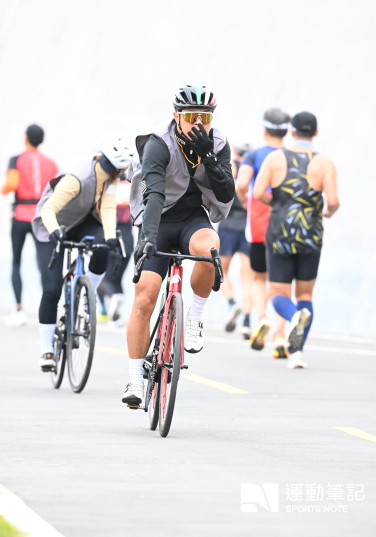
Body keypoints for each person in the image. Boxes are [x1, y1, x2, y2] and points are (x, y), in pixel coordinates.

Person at [123, 84, 235, 407]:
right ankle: (134, 377)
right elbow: (154, 195)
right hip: (157, 220)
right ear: (176, 116)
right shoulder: (158, 144)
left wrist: (209, 158)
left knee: (210, 249)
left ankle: (194, 317)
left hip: (192, 217)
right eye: (191, 117)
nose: (199, 123)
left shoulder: (218, 143)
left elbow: (226, 193)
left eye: (205, 117)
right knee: (144, 297)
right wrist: (147, 239)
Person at [32, 133, 135, 371]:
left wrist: (110, 236)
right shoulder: (77, 178)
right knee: (52, 289)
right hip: (51, 226)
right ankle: (47, 349)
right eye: (123, 170)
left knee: (103, 248)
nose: (123, 174)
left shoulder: (109, 177)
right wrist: (55, 231)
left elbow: (107, 207)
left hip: (81, 221)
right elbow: (48, 209)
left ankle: (89, 293)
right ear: (115, 167)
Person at [253, 111, 339, 369]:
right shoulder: (325, 163)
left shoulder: (275, 158)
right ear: (316, 132)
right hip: (311, 235)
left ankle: (293, 317)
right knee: (305, 294)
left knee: (278, 293)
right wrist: (326, 212)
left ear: (291, 132)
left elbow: (258, 192)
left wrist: (279, 204)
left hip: (280, 233)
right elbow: (333, 201)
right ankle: (297, 353)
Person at [236, 108, 289, 357]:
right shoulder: (290, 156)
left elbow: (242, 184)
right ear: (286, 131)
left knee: (258, 277)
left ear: (265, 129)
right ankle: (280, 334)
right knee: (282, 284)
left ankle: (262, 317)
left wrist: (244, 199)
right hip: (285, 226)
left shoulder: (253, 155)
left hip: (258, 225)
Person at [1, 125, 58, 327]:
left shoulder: (16, 160)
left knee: (16, 261)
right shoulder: (50, 163)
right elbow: (56, 188)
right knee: (43, 262)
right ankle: (46, 305)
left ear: (26, 138)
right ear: (41, 140)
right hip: (40, 216)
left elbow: (12, 184)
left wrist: (4, 189)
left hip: (20, 215)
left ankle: (18, 309)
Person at [218, 142, 253, 338]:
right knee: (248, 278)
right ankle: (247, 321)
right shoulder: (253, 170)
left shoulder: (231, 166)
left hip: (228, 225)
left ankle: (232, 303)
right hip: (248, 227)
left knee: (220, 271)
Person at [97, 175, 134, 326]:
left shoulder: (108, 188)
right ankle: (115, 316)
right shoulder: (132, 188)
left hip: (111, 238)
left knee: (103, 279)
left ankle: (110, 302)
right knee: (117, 279)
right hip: (128, 242)